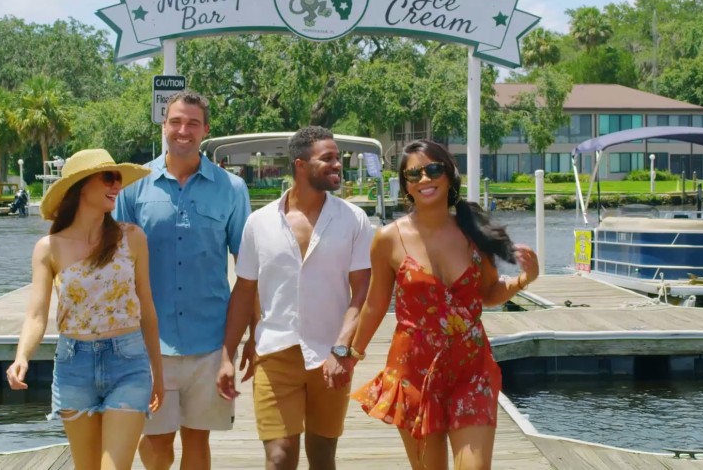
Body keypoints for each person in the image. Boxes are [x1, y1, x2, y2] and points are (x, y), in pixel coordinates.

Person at [349, 139, 539, 470]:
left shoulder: (474, 231)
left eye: (433, 169)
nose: (424, 179)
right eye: (414, 174)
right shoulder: (387, 239)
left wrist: (525, 280)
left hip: (471, 370)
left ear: (449, 174)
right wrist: (351, 355)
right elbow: (376, 304)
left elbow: (490, 292)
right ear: (405, 185)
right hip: (414, 373)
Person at [217, 126, 375, 470]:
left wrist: (343, 347)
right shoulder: (259, 223)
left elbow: (361, 289)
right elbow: (244, 291)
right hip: (274, 355)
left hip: (330, 357)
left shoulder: (354, 220)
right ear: (300, 165)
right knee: (279, 458)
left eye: (339, 158)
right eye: (328, 159)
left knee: (322, 458)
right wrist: (226, 356)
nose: (338, 165)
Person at [114, 90, 252, 470]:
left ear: (205, 130)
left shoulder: (232, 189)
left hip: (210, 341)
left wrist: (248, 337)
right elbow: (115, 263)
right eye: (176, 121)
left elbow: (248, 271)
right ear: (164, 126)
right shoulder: (134, 187)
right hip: (147, 343)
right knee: (155, 443)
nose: (183, 130)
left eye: (193, 123)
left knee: (198, 440)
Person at [6, 148, 164, 470]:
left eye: (118, 178)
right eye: (108, 177)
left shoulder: (132, 238)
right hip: (73, 366)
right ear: (81, 186)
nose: (117, 185)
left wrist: (158, 374)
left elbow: (146, 308)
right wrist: (22, 356)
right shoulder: (48, 248)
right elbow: (36, 315)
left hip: (128, 364)